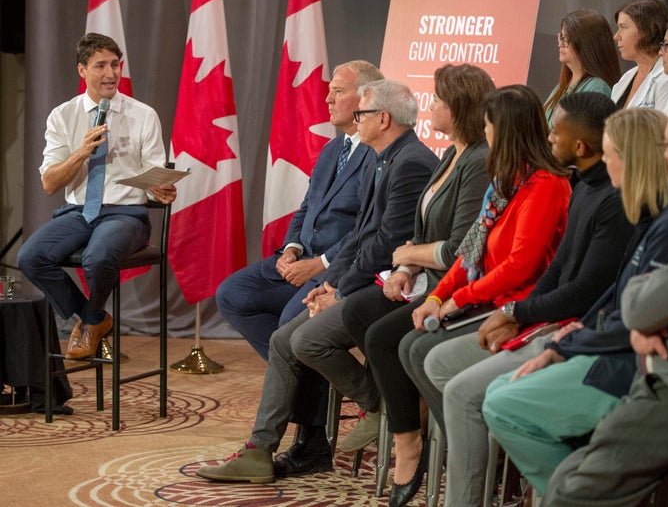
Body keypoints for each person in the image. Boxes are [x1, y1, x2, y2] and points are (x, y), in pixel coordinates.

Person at [194, 79, 439, 483]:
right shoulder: (384, 157)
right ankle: (260, 450)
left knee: (300, 339)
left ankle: (382, 401)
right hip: (352, 275)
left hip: (394, 285)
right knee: (278, 337)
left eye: (361, 113)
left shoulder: (409, 161)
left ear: (383, 118)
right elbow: (359, 234)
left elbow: (384, 245)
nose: (355, 120)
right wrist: (332, 284)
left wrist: (335, 286)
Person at [291, 63, 495, 505]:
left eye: (439, 100)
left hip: (457, 290)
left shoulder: (474, 161)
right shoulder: (447, 157)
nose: (431, 107)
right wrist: (405, 270)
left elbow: (459, 246)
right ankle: (393, 410)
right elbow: (408, 235)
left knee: (383, 337)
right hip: (421, 282)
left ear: (458, 107)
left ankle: (406, 433)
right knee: (359, 315)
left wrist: (407, 260)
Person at [359, 84, 571, 506]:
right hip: (485, 294)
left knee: (419, 349)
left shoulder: (545, 184)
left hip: (515, 305)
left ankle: (478, 451)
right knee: (408, 346)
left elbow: (520, 266)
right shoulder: (504, 182)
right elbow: (468, 253)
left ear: (505, 130)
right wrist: (438, 296)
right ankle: (467, 444)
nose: (485, 131)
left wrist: (459, 298)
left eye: (490, 125)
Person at [421, 92, 634, 506]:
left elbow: (581, 289)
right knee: (434, 360)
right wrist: (512, 314)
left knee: (466, 390)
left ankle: (497, 487)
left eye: (558, 128)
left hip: (569, 330)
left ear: (581, 146)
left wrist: (515, 311)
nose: (550, 133)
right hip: (543, 317)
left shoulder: (601, 197)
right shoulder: (583, 187)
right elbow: (555, 273)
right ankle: (484, 469)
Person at [483, 107, 668, 499]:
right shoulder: (654, 215)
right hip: (606, 347)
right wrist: (567, 337)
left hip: (626, 368)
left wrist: (567, 344)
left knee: (503, 404)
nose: (605, 160)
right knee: (498, 390)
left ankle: (568, 495)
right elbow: (618, 295)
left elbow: (638, 318)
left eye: (611, 152)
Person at [541, 95, 668, 507]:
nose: (663, 156)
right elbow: (644, 301)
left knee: (571, 490)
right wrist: (644, 316)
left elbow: (637, 304)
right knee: (568, 476)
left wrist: (643, 316)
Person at [18, 33, 176, 361]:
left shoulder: (143, 115)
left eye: (115, 65)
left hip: (126, 215)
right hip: (78, 213)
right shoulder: (62, 116)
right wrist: (81, 153)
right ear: (82, 70)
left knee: (98, 255)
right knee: (30, 257)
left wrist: (160, 189)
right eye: (100, 65)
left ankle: (89, 322)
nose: (110, 73)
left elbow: (155, 174)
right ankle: (94, 318)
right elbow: (49, 183)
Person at [215, 61, 383, 360]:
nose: (327, 99)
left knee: (289, 328)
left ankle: (302, 386)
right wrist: (291, 248)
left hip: (338, 269)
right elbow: (308, 206)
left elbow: (368, 226)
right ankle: (300, 379)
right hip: (300, 261)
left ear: (365, 98)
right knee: (233, 294)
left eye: (337, 92)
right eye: (329, 92)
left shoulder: (377, 153)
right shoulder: (333, 149)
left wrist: (320, 263)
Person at [544, 9, 621, 124]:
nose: (560, 44)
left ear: (586, 44)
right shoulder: (562, 86)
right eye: (561, 37)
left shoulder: (597, 88)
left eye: (565, 39)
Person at [611, 0, 668, 109]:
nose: (616, 36)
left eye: (623, 27)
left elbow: (663, 126)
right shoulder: (626, 78)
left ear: (648, 31)